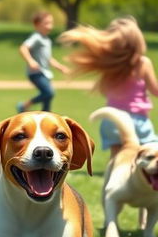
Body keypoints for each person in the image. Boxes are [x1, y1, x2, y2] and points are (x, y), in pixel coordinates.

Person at [60, 16, 158, 158]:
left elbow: (105, 90)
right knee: (149, 156)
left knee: (117, 159)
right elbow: (155, 90)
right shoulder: (142, 63)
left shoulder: (109, 67)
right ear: (137, 41)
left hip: (111, 120)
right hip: (137, 121)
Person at [16, 11, 69, 113]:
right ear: (37, 25)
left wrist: (61, 67)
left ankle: (46, 116)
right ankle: (23, 105)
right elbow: (23, 48)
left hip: (45, 73)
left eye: (51, 23)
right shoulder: (36, 37)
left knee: (47, 99)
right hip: (36, 73)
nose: (49, 26)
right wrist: (30, 61)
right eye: (46, 23)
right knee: (49, 93)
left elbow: (48, 58)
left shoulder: (46, 40)